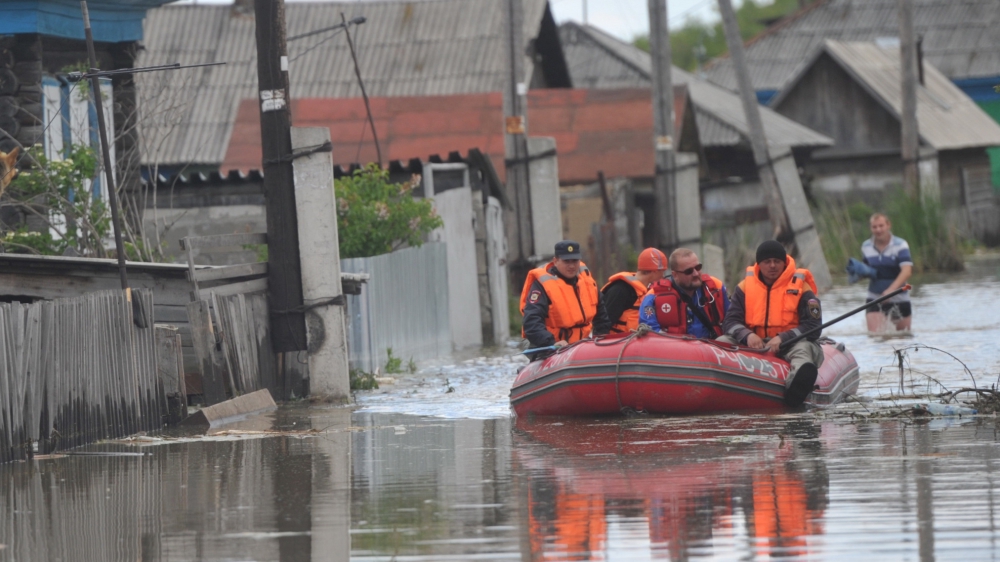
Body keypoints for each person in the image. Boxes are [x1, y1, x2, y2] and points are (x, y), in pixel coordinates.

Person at [718, 240, 823, 406]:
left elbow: (813, 327)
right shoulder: (744, 288)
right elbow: (730, 321)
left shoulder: (803, 288)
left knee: (804, 350)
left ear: (784, 262)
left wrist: (783, 338)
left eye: (777, 261)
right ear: (759, 264)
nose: (772, 266)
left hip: (790, 343)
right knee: (722, 342)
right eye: (767, 262)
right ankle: (721, 385)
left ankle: (795, 391)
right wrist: (747, 335)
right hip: (753, 343)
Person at [520, 240, 611, 358]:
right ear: (555, 261)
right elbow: (531, 322)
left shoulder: (588, 283)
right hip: (550, 346)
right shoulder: (543, 286)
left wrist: (599, 342)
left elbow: (602, 319)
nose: (572, 266)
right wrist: (551, 343)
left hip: (580, 345)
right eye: (566, 261)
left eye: (575, 261)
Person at [639, 248, 729, 338]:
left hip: (714, 347)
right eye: (688, 271)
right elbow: (650, 331)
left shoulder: (716, 287)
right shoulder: (654, 296)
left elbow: (732, 320)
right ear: (675, 275)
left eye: (698, 268)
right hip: (675, 349)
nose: (696, 274)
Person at [862, 213, 913, 332]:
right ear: (871, 228)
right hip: (874, 297)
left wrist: (890, 291)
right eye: (874, 227)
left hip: (900, 298)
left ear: (888, 225)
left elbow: (907, 271)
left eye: (881, 226)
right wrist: (858, 274)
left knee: (903, 338)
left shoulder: (901, 245)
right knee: (876, 337)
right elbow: (867, 271)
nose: (878, 230)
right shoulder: (865, 246)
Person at [601, 248, 668, 334]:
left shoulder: (650, 291)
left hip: (640, 344)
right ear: (655, 272)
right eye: (662, 272)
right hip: (620, 345)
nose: (663, 276)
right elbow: (602, 325)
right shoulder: (621, 289)